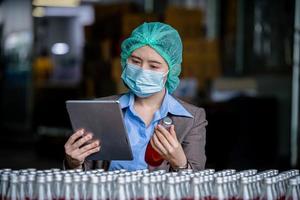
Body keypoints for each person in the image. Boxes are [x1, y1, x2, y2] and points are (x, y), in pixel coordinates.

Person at [64, 22, 208, 171]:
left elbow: (196, 183)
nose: (141, 71)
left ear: (171, 70)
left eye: (153, 66)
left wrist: (180, 163)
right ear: (126, 60)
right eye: (135, 61)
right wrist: (73, 163)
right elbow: (83, 175)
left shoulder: (192, 118)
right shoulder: (98, 109)